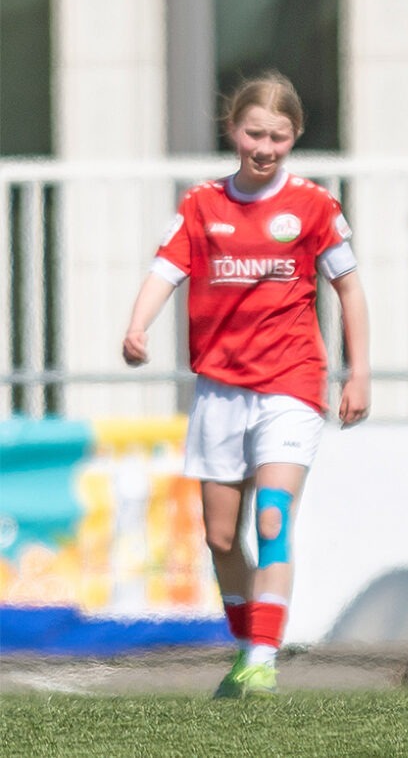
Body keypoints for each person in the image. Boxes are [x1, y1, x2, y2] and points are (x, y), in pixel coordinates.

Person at [121, 72, 370, 698]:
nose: (265, 146)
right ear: (233, 130)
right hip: (220, 390)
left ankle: (262, 659)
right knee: (220, 536)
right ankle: (244, 648)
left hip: (291, 382)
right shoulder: (203, 204)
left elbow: (349, 289)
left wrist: (357, 370)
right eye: (254, 132)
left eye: (279, 136)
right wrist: (137, 326)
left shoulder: (314, 206)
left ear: (296, 137)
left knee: (272, 517)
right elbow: (165, 270)